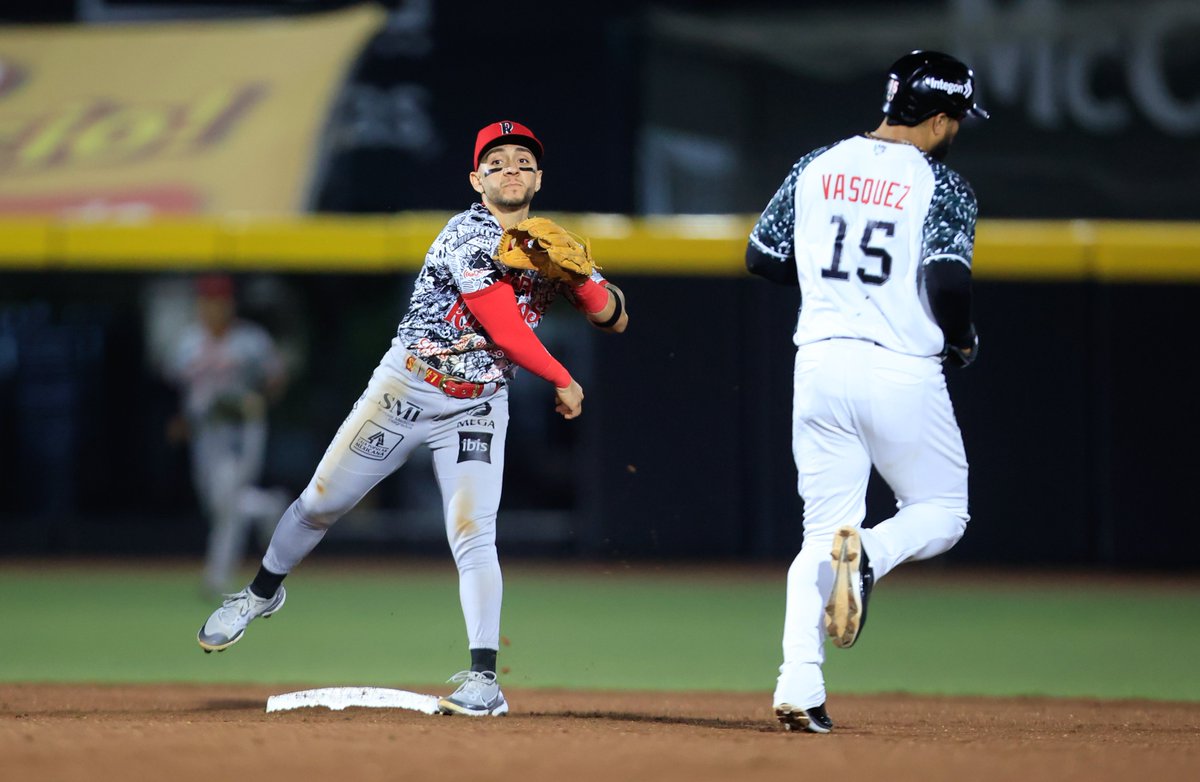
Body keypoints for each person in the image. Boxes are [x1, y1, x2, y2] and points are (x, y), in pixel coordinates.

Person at [195, 120, 629, 717]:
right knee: (319, 504)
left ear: (538, 179)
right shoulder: (465, 235)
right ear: (477, 178)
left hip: (476, 404)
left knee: (473, 531)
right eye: (497, 161)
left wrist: (579, 278)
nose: (510, 168)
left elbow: (615, 316)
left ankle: (484, 681)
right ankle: (260, 593)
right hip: (408, 387)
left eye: (523, 161)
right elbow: (503, 326)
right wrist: (561, 377)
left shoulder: (549, 243)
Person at [745, 50, 986, 733]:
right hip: (898, 366)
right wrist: (962, 338)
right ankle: (872, 557)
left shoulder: (817, 163)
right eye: (957, 119)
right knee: (942, 510)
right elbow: (947, 282)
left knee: (819, 534)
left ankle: (799, 683)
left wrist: (832, 285)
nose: (957, 130)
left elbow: (760, 258)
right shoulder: (942, 183)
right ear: (939, 118)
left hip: (818, 363)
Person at [165, 273, 289, 597]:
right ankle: (266, 506)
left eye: (219, 301)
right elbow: (183, 389)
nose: (213, 308)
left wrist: (259, 401)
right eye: (207, 301)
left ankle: (216, 576)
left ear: (230, 304)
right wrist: (181, 420)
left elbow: (277, 377)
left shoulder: (250, 340)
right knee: (215, 501)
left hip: (241, 430)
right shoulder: (188, 342)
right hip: (205, 431)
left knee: (226, 501)